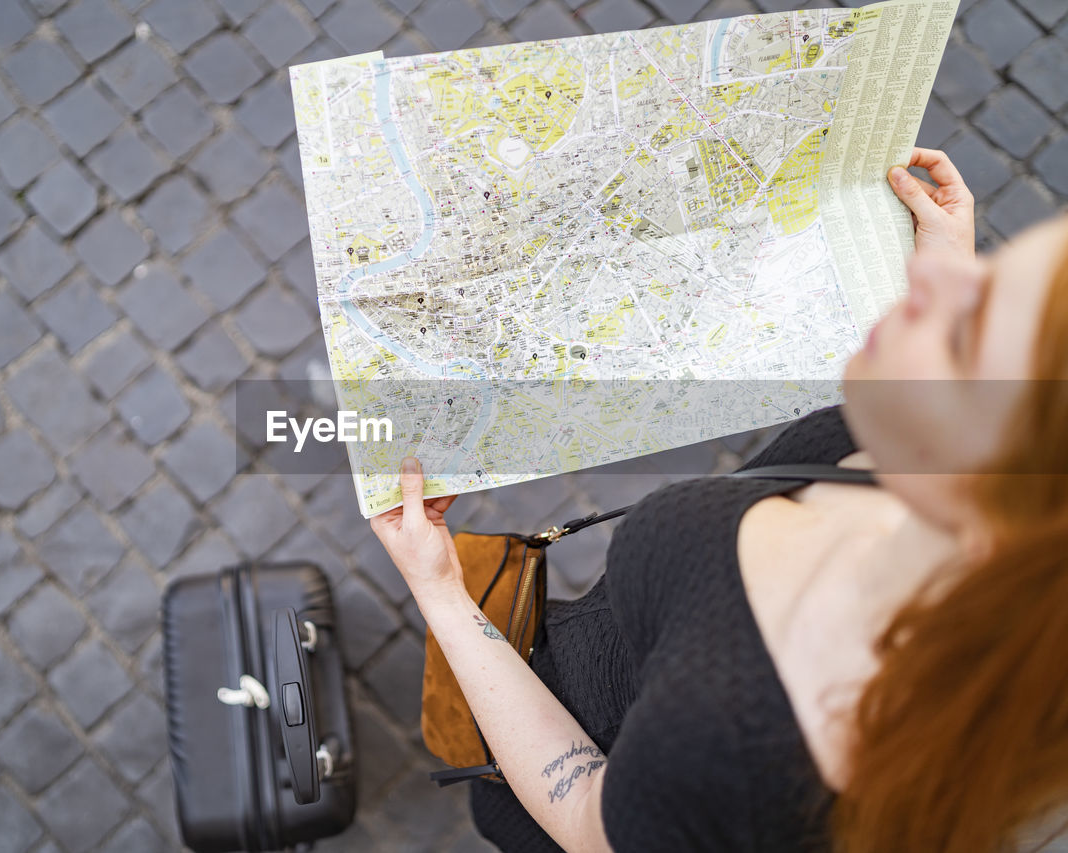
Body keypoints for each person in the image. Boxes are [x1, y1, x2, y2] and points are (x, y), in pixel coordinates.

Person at [370, 148, 1068, 853]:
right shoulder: (932, 465)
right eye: (989, 276)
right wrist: (955, 273)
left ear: (988, 521)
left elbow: (586, 816)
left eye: (966, 335)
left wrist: (440, 591)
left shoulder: (740, 748)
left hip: (541, 755)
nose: (936, 285)